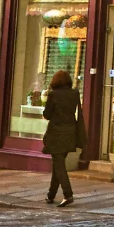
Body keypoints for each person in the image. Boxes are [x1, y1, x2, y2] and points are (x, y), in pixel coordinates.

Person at [41, 70, 80, 207]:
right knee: (58, 164)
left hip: (56, 134)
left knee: (59, 165)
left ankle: (68, 194)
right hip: (70, 133)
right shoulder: (74, 94)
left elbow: (47, 114)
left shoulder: (53, 95)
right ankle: (50, 195)